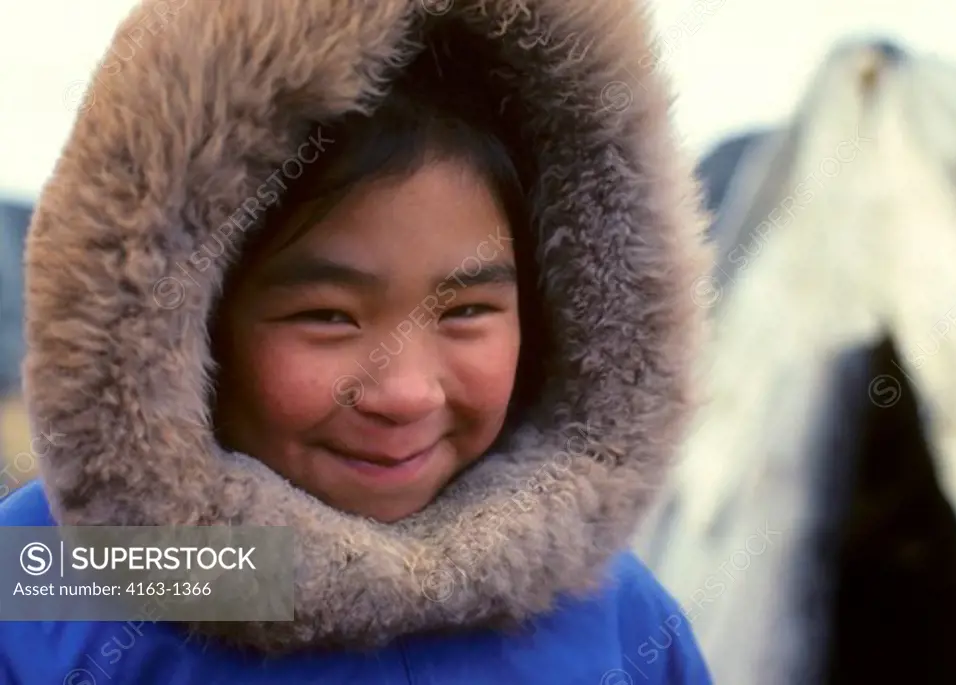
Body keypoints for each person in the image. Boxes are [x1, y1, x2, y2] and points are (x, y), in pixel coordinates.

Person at [0, 0, 713, 682]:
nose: (404, 392)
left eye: (465, 310)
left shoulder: (615, 617)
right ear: (187, 328)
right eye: (329, 316)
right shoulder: (50, 588)